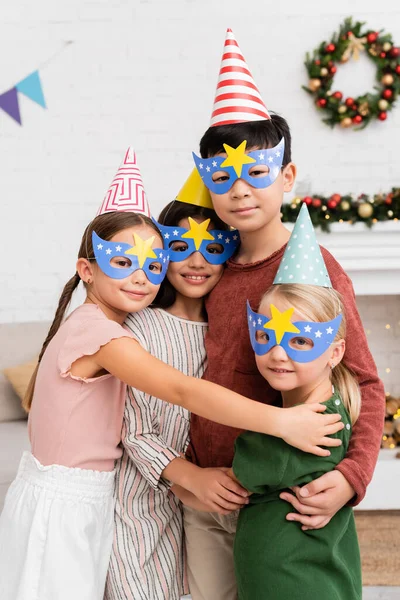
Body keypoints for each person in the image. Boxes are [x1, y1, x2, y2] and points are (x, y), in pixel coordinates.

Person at [0, 150, 342, 600]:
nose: (141, 277)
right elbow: (181, 390)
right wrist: (282, 422)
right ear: (87, 269)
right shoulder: (100, 334)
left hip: (94, 496)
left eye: (151, 264)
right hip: (66, 501)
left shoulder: (114, 326)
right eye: (123, 262)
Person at [184, 29, 385, 600]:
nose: (240, 191)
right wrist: (186, 475)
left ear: (288, 178)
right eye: (223, 178)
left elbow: (363, 380)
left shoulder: (314, 272)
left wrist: (352, 477)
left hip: (281, 500)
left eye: (257, 173)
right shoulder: (204, 270)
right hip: (209, 494)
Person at [105, 171, 241, 600]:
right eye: (181, 248)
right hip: (137, 497)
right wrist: (188, 478)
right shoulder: (139, 326)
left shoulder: (223, 330)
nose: (197, 263)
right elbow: (133, 426)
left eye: (212, 250)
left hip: (196, 502)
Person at [231, 206, 362, 599]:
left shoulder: (306, 426)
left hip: (293, 583)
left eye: (301, 341)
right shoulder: (332, 405)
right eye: (267, 338)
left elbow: (246, 466)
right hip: (304, 574)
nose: (279, 354)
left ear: (335, 352)